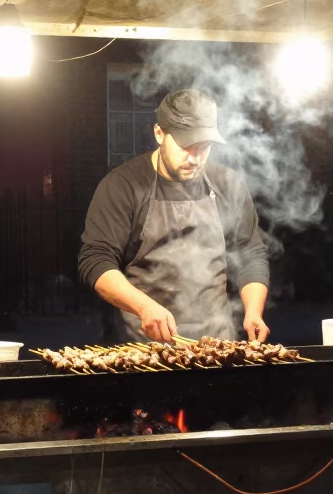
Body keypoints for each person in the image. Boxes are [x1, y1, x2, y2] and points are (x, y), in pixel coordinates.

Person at [78, 88, 270, 343]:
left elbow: (251, 253)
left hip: (216, 346)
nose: (194, 158)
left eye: (203, 147)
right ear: (159, 133)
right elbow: (96, 260)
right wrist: (144, 307)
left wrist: (253, 312)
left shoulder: (227, 183)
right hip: (143, 350)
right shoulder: (123, 185)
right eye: (185, 146)